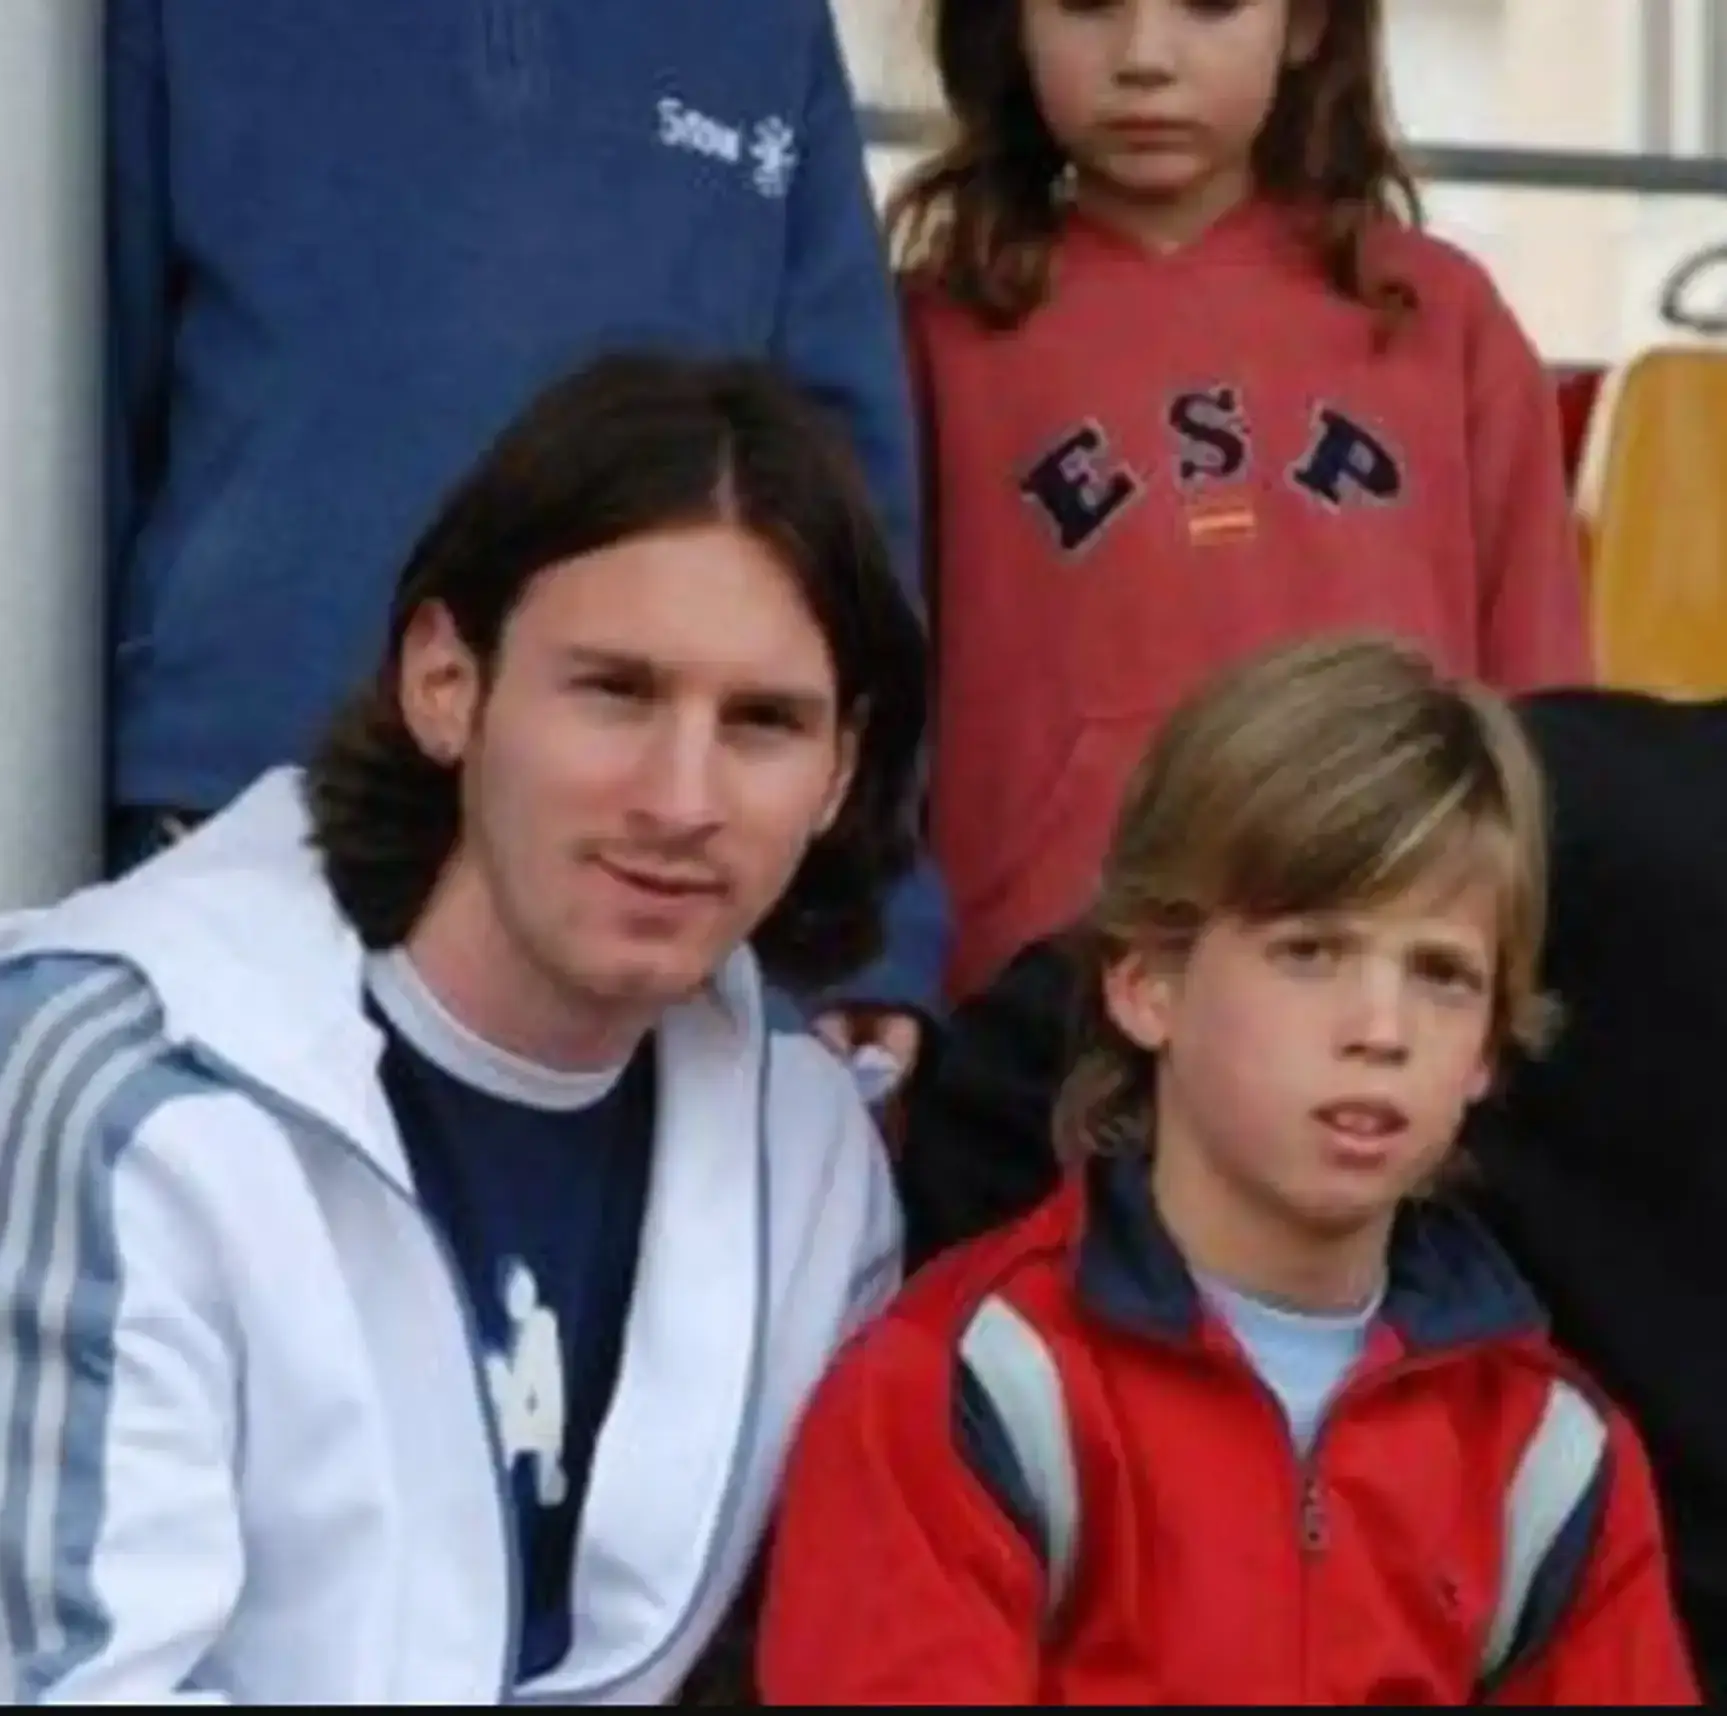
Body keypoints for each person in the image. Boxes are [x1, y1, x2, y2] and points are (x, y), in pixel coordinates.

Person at [0, 353, 926, 1705]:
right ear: (444, 683)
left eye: (762, 722)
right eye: (614, 691)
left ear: (838, 773)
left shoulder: (807, 1160)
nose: (678, 797)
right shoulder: (107, 1088)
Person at [757, 635, 1696, 1705]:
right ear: (1144, 984)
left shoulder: (1550, 1456)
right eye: (1310, 951)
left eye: (1441, 975)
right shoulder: (960, 1390)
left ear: (1487, 1050)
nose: (1380, 1028)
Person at [103, 0, 944, 1072]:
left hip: (653, 860)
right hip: (243, 805)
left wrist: (875, 910)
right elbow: (59, 432)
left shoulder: (764, 25)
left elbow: (845, 501)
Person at [889, 0, 1588, 1001]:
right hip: (1043, 993)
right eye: (1087, 4)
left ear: (1304, 24)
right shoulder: (934, 332)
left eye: (1210, 3)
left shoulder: (1439, 317)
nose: (1144, 57)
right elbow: (875, 720)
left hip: (1378, 985)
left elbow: (1544, 709)